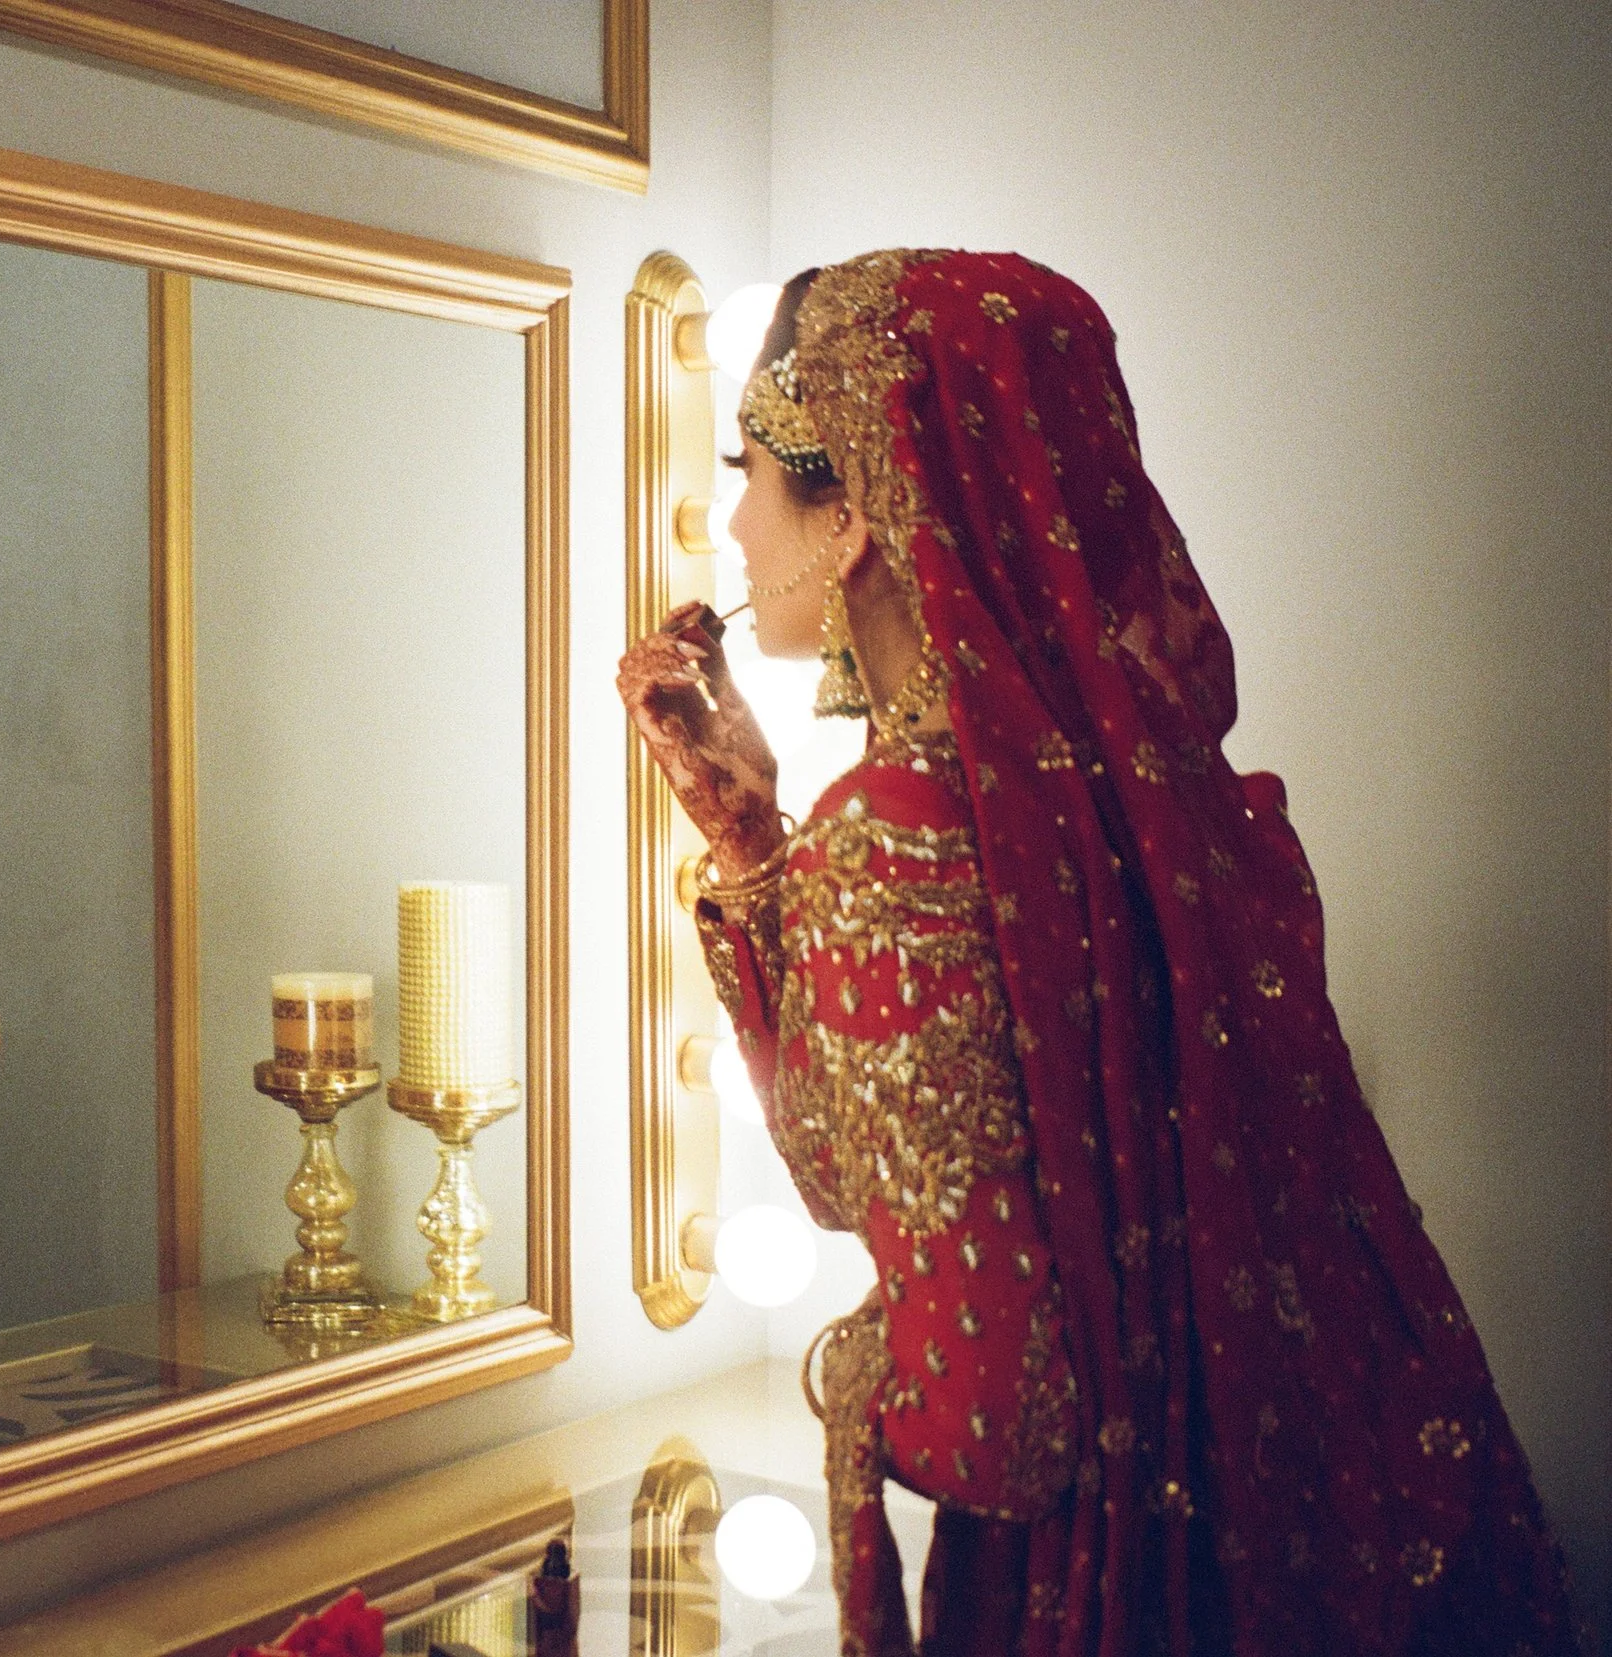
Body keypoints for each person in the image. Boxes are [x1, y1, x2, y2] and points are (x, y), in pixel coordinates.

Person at [619, 251, 1577, 1655]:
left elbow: (997, 1420)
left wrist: (861, 1375)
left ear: (859, 515)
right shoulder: (1131, 804)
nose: (738, 527)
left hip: (1097, 1581)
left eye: (756, 472)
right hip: (1314, 1524)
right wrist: (759, 845)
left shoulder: (895, 840)